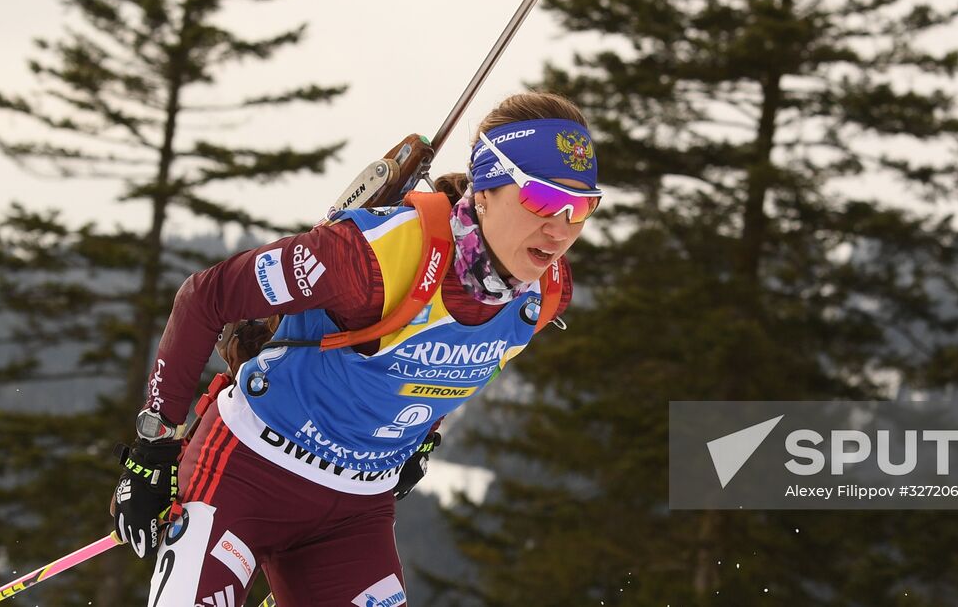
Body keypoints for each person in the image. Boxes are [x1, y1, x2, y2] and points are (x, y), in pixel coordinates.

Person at [110, 91, 601, 607]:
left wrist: (420, 441)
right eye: (543, 199)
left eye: (582, 207)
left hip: (354, 513)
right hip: (245, 475)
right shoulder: (371, 258)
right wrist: (154, 451)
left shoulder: (544, 295)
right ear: (484, 191)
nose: (560, 228)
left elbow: (444, 363)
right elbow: (204, 297)